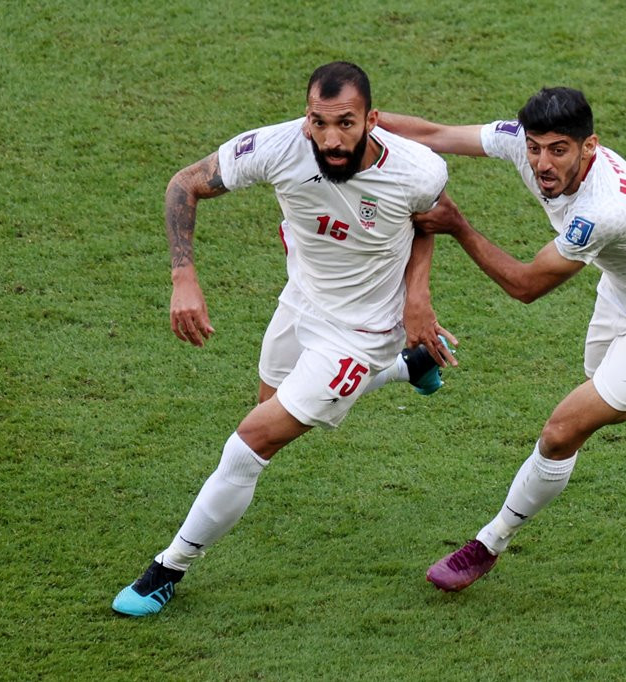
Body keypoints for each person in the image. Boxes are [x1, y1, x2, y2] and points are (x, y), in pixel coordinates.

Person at [379, 87, 626, 591]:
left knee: (563, 430)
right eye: (534, 148)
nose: (542, 164)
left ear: (589, 147)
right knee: (615, 401)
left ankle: (487, 544)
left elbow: (526, 287)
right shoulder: (524, 146)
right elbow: (434, 134)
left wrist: (458, 225)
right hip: (623, 291)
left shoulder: (603, 212)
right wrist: (361, 127)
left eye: (558, 150)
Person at [112, 62, 457, 616]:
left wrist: (417, 298)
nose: (332, 139)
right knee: (270, 407)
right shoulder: (276, 148)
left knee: (251, 444)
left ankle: (167, 568)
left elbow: (429, 222)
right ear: (306, 118)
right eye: (320, 123)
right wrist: (184, 277)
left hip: (362, 333)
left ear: (371, 119)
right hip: (301, 303)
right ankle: (408, 367)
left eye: (346, 123)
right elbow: (185, 184)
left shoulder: (417, 170)